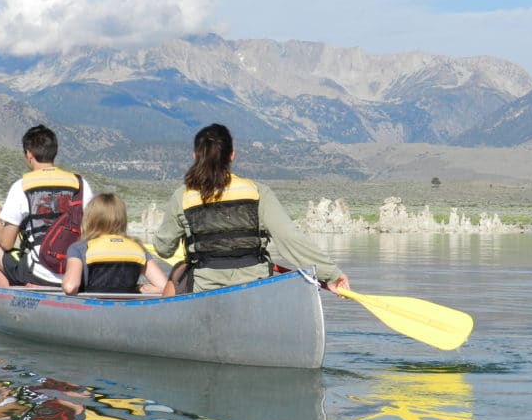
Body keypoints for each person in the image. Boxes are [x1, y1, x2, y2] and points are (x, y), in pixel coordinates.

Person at [153, 123, 350, 295]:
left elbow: (164, 250)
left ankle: (166, 326)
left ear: (195, 156)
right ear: (232, 156)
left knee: (179, 269)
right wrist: (331, 275)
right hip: (256, 288)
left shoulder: (183, 196)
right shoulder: (258, 192)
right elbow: (291, 239)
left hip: (206, 289)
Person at [0, 124, 93, 287]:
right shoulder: (80, 184)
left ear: (29, 154)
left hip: (40, 273)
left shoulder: (22, 186)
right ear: (54, 152)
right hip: (76, 272)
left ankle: (11, 299)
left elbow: (6, 243)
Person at [61, 193, 167, 295]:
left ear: (90, 219)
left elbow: (70, 287)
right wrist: (138, 288)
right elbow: (163, 286)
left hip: (92, 308)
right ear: (122, 219)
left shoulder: (79, 248)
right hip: (127, 308)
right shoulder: (137, 248)